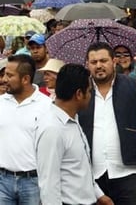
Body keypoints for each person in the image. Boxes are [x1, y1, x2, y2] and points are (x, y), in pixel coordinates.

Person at [78, 42, 136, 205]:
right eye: (94, 62)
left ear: (114, 61)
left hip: (130, 173)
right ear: (87, 65)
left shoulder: (135, 84)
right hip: (92, 175)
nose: (99, 66)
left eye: (103, 61)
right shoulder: (80, 91)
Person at [35, 64, 113, 205]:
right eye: (89, 91)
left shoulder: (73, 120)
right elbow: (49, 185)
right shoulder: (52, 128)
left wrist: (99, 195)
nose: (91, 96)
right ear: (78, 94)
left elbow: (79, 168)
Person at [0, 54, 52, 204]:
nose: (4, 80)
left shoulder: (47, 106)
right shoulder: (1, 102)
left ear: (25, 79)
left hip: (33, 183)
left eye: (9, 75)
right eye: (4, 75)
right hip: (2, 182)